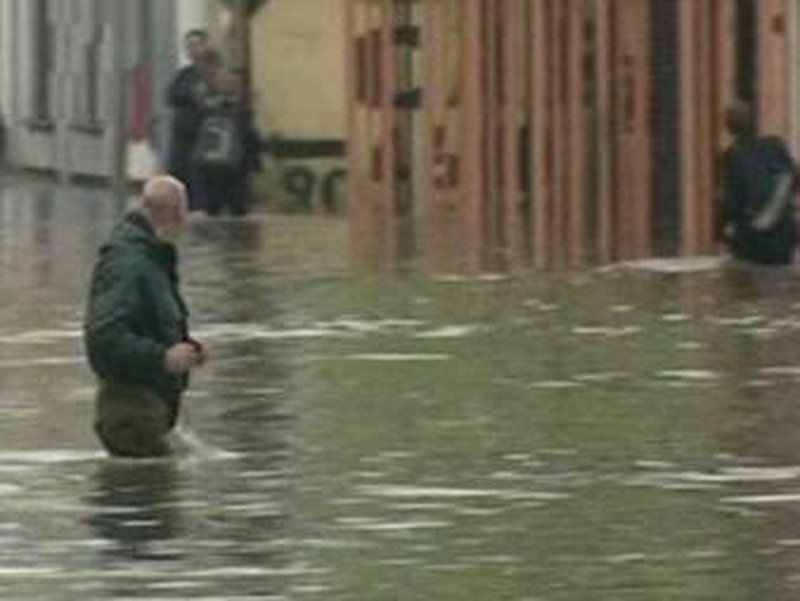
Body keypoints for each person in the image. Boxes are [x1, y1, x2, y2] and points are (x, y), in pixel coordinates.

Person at [84, 175, 206, 458]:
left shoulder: (152, 259)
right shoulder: (130, 263)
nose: (185, 224)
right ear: (170, 213)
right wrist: (162, 357)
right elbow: (103, 338)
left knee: (190, 466)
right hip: (132, 416)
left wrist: (186, 348)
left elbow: (152, 323)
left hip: (149, 412)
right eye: (183, 215)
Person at [719, 101, 798, 266]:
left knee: (746, 282)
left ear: (728, 128)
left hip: (753, 238)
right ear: (755, 123)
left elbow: (733, 200)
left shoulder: (732, 155)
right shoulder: (776, 144)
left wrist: (721, 229)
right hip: (785, 233)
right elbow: (794, 178)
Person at [191, 48, 257, 216]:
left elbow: (247, 135)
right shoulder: (205, 102)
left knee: (234, 207)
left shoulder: (238, 111)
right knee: (216, 207)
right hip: (215, 164)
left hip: (229, 163)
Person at [166, 30, 212, 211]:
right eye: (189, 46)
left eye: (196, 45)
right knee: (179, 171)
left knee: (200, 174)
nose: (192, 50)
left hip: (205, 133)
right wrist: (192, 94)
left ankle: (202, 206)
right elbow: (170, 95)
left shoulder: (212, 71)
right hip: (183, 132)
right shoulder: (184, 74)